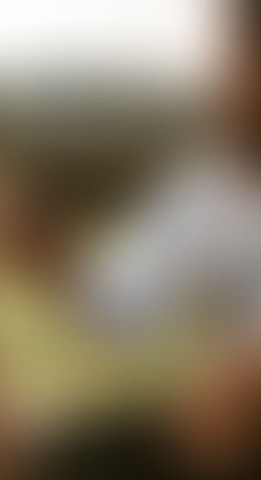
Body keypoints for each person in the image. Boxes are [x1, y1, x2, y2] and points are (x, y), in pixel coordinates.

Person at [82, 0, 261, 477]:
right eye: (230, 59)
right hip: (162, 414)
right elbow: (113, 299)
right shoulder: (205, 186)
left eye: (242, 60)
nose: (226, 84)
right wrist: (41, 249)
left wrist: (249, 369)